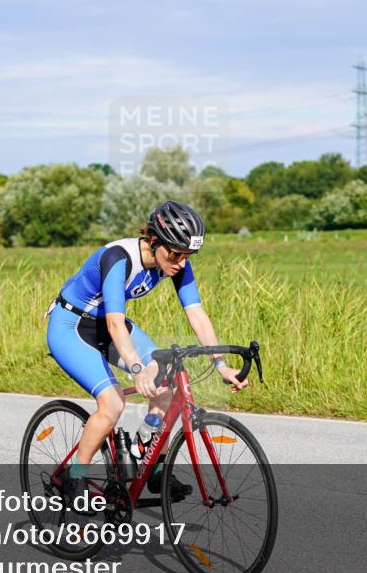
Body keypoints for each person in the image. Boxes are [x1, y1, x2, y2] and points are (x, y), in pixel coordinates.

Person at [45, 200, 248, 497]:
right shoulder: (119, 258)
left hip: (106, 324)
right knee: (113, 404)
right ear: (154, 240)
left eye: (188, 255)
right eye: (176, 253)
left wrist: (221, 364)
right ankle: (75, 476)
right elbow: (116, 324)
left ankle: (152, 465)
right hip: (71, 327)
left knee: (165, 384)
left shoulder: (175, 261)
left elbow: (196, 313)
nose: (181, 262)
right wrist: (136, 368)